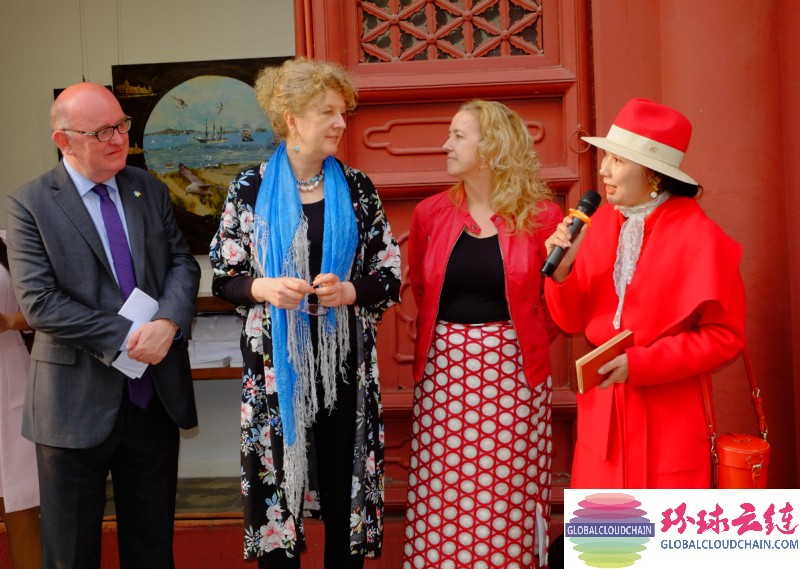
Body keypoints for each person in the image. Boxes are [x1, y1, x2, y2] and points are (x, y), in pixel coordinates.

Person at [209, 57, 401, 569]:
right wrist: (265, 287)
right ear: (291, 118)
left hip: (344, 364)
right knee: (279, 487)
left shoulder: (357, 187)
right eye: (328, 112)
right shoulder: (249, 188)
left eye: (343, 113)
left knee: (343, 487)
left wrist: (350, 291)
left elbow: (388, 275)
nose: (340, 123)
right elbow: (224, 278)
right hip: (275, 366)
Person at [4, 82, 200, 568]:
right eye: (101, 132)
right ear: (63, 140)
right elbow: (40, 303)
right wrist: (131, 337)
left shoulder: (148, 188)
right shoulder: (29, 204)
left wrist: (168, 321)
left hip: (152, 399)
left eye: (121, 125)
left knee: (152, 550)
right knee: (70, 555)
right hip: (72, 405)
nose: (118, 139)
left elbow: (181, 263)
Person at [543, 97, 746, 488]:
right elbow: (570, 321)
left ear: (653, 175)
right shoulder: (597, 224)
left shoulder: (702, 239)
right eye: (606, 157)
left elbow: (725, 336)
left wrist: (643, 364)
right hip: (604, 419)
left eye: (618, 160)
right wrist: (562, 270)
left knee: (666, 527)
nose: (603, 169)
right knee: (606, 529)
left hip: (669, 417)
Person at [403, 100, 561, 569]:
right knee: (442, 494)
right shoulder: (431, 213)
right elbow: (421, 288)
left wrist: (514, 342)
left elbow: (556, 303)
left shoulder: (542, 217)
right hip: (444, 375)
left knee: (508, 493)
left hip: (515, 377)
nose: (445, 145)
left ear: (492, 146)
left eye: (458, 136)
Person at [0, 230, 41, 569]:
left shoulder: (9, 243)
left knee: (21, 506)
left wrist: (8, 321)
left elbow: (46, 310)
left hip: (9, 378)